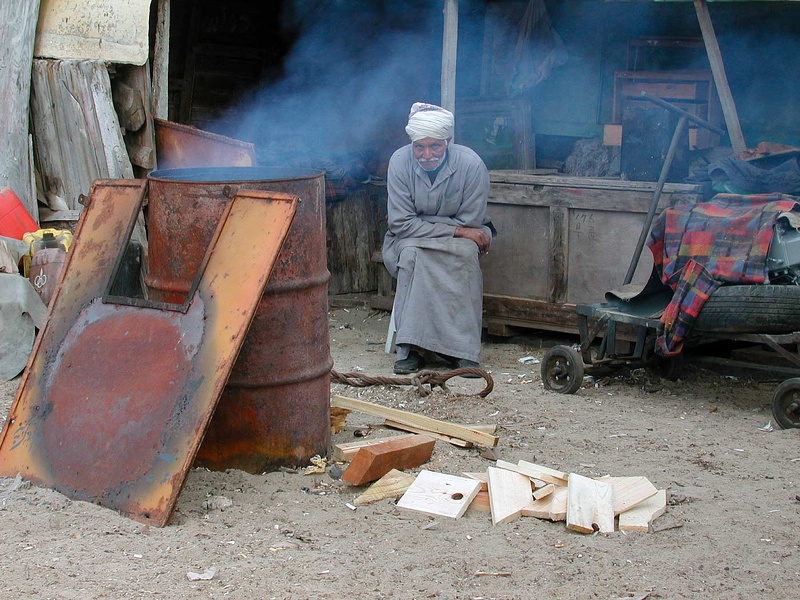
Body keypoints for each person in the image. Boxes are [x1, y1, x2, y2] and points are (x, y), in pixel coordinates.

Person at [382, 102, 495, 375]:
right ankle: (411, 349)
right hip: (407, 239)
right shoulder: (399, 162)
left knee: (466, 255)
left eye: (435, 146)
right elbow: (400, 224)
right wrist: (453, 228)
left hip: (461, 238)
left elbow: (471, 222)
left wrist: (431, 224)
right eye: (419, 147)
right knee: (410, 256)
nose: (426, 154)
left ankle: (461, 351)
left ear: (448, 142)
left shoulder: (471, 165)